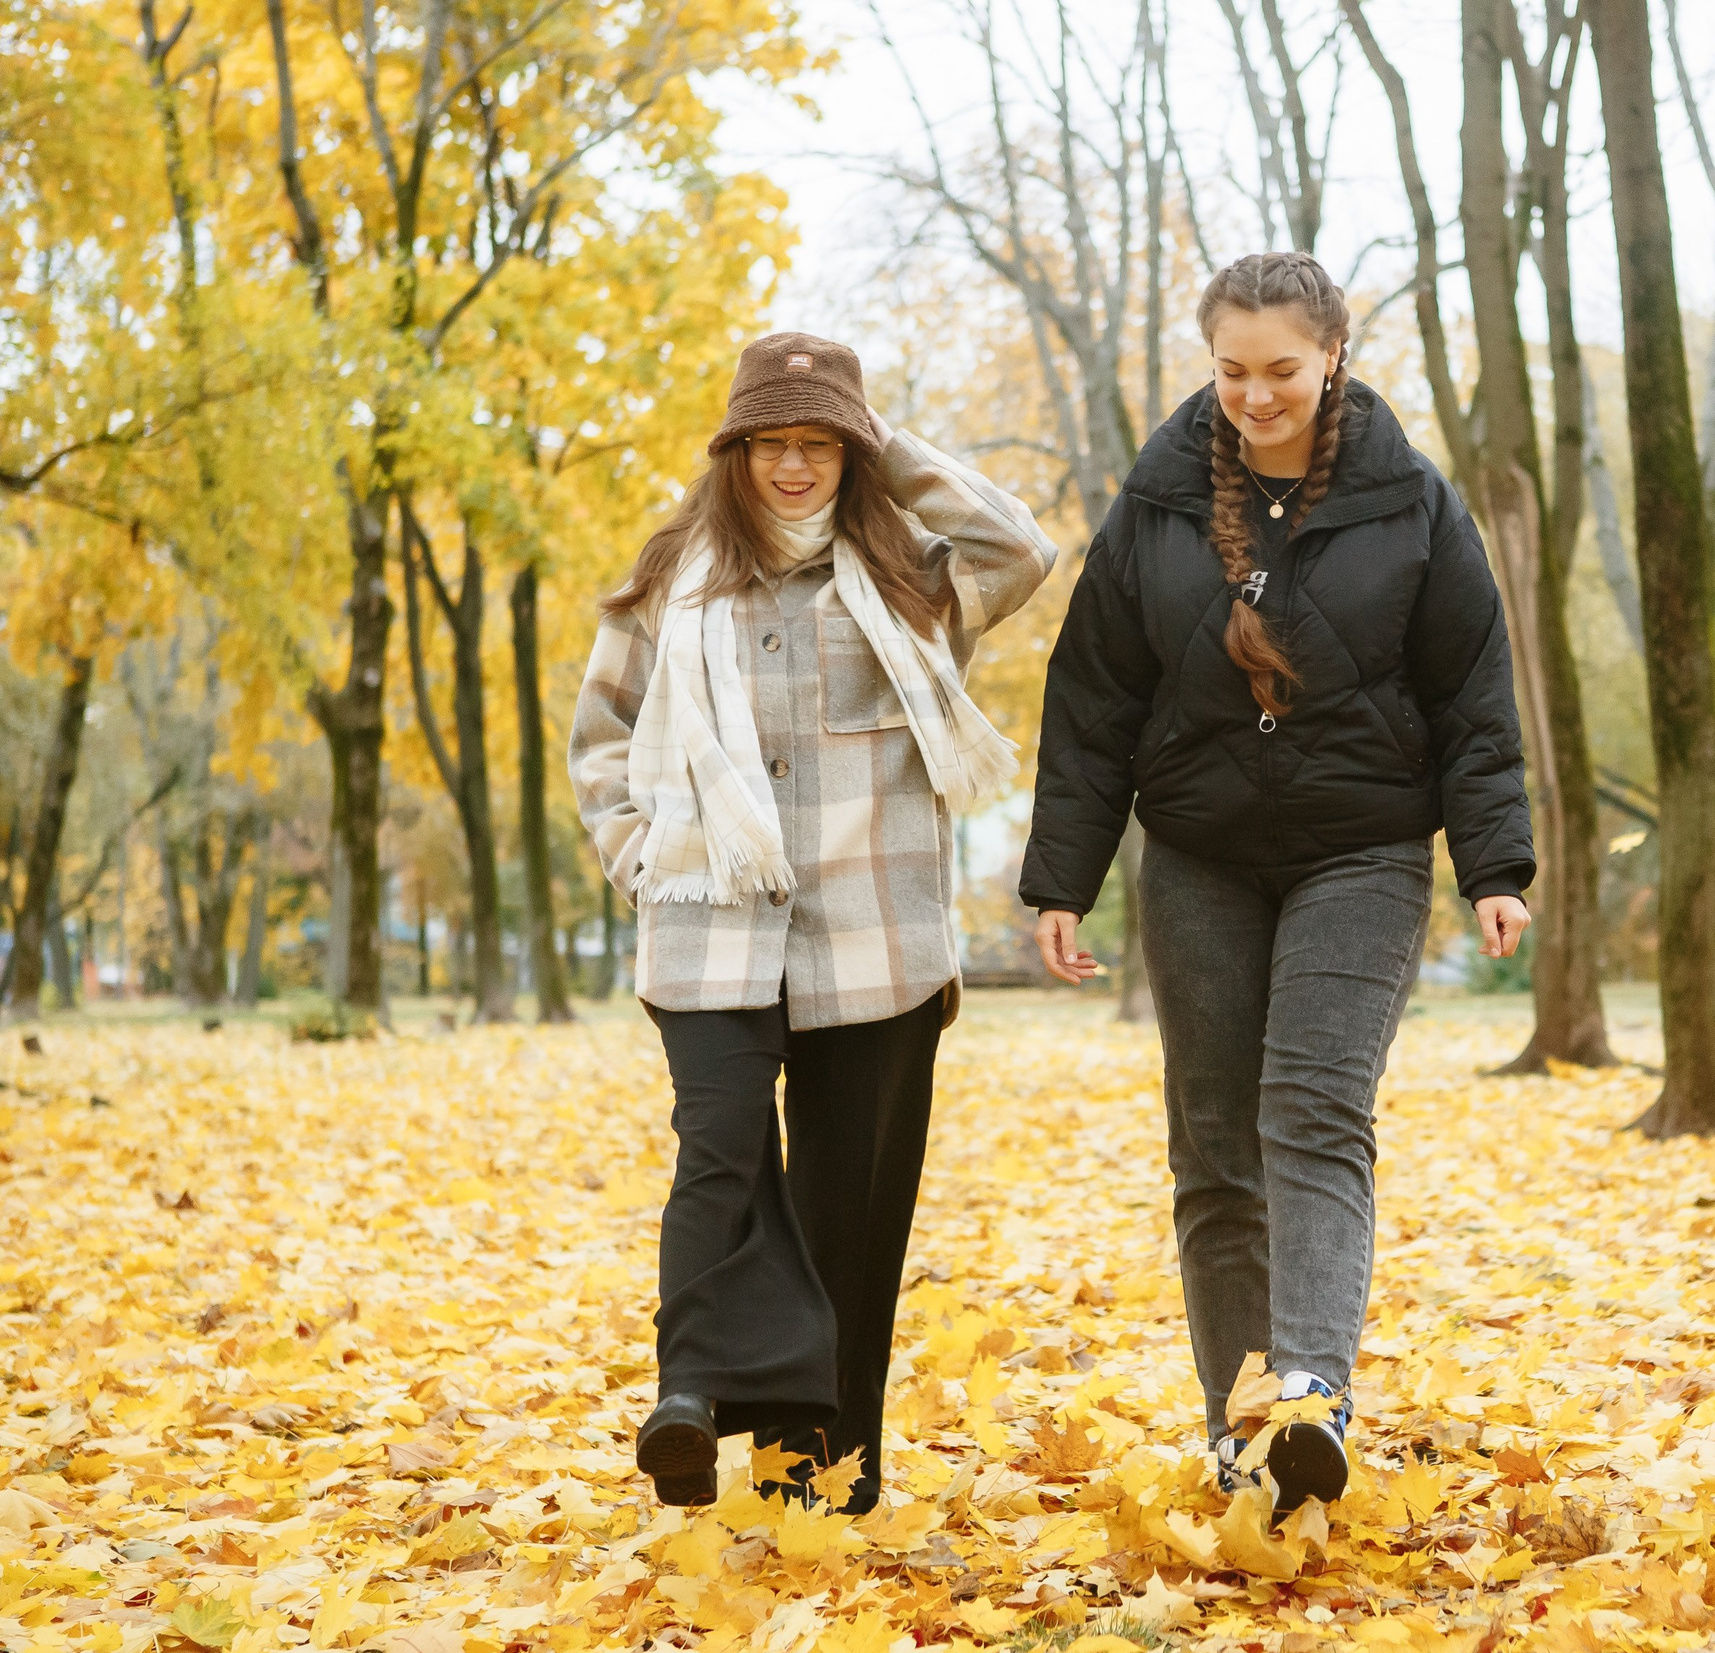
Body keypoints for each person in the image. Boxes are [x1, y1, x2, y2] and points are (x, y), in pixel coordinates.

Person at [1019, 253, 1534, 1514]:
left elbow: (1472, 695)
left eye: (1282, 371)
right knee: (1212, 1147)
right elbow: (1092, 700)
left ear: (1334, 358)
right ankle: (1236, 1428)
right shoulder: (1152, 505)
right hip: (1196, 853)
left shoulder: (1410, 499)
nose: (1257, 396)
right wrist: (1060, 879)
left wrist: (1493, 863)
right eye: (1232, 371)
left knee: (1311, 1105)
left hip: (1359, 848)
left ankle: (1309, 1393)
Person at [569, 332, 1055, 1511]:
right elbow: (601, 739)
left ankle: (822, 1464)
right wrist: (642, 862)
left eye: (819, 443)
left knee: (852, 1205)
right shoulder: (667, 581)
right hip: (709, 926)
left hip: (875, 939)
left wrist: (885, 444)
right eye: (772, 443)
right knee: (723, 1153)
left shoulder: (913, 582)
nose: (794, 466)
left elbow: (1023, 546)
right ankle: (693, 1398)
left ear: (850, 451)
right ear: (734, 452)